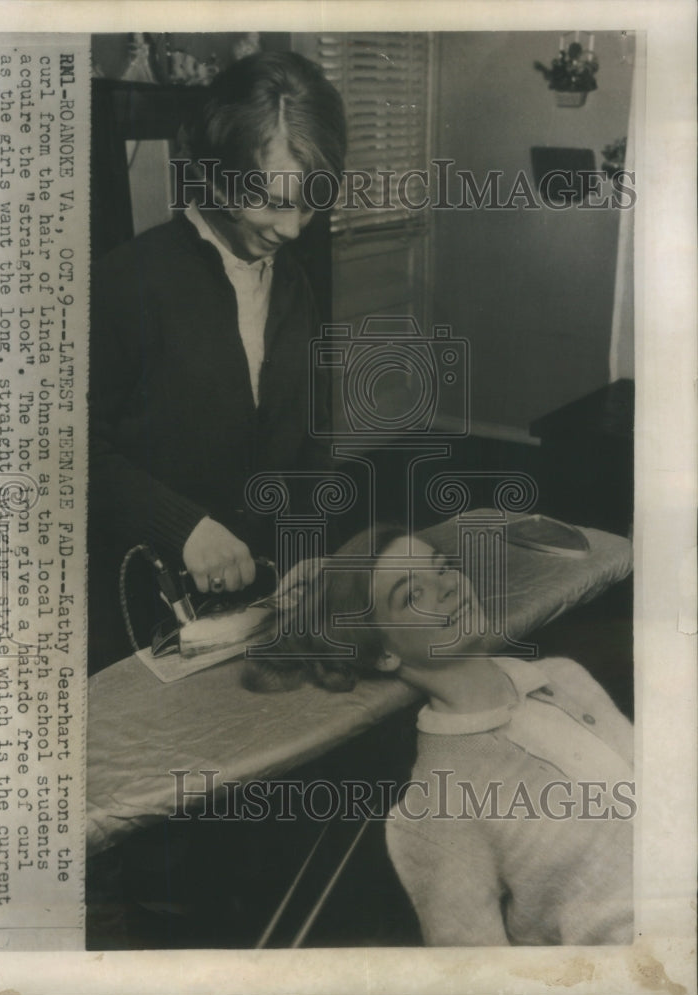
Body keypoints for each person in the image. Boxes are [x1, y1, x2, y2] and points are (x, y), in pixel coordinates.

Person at [243, 523, 634, 947]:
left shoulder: (565, 676)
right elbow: (474, 978)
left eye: (442, 567)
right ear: (385, 653)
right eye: (411, 594)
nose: (445, 587)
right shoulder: (434, 806)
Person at [88, 51, 347, 670]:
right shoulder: (127, 282)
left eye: (309, 204)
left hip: (263, 609)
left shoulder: (294, 283)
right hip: (145, 614)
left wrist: (310, 545)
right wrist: (185, 527)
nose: (292, 229)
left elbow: (311, 436)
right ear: (217, 178)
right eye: (273, 203)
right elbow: (63, 449)